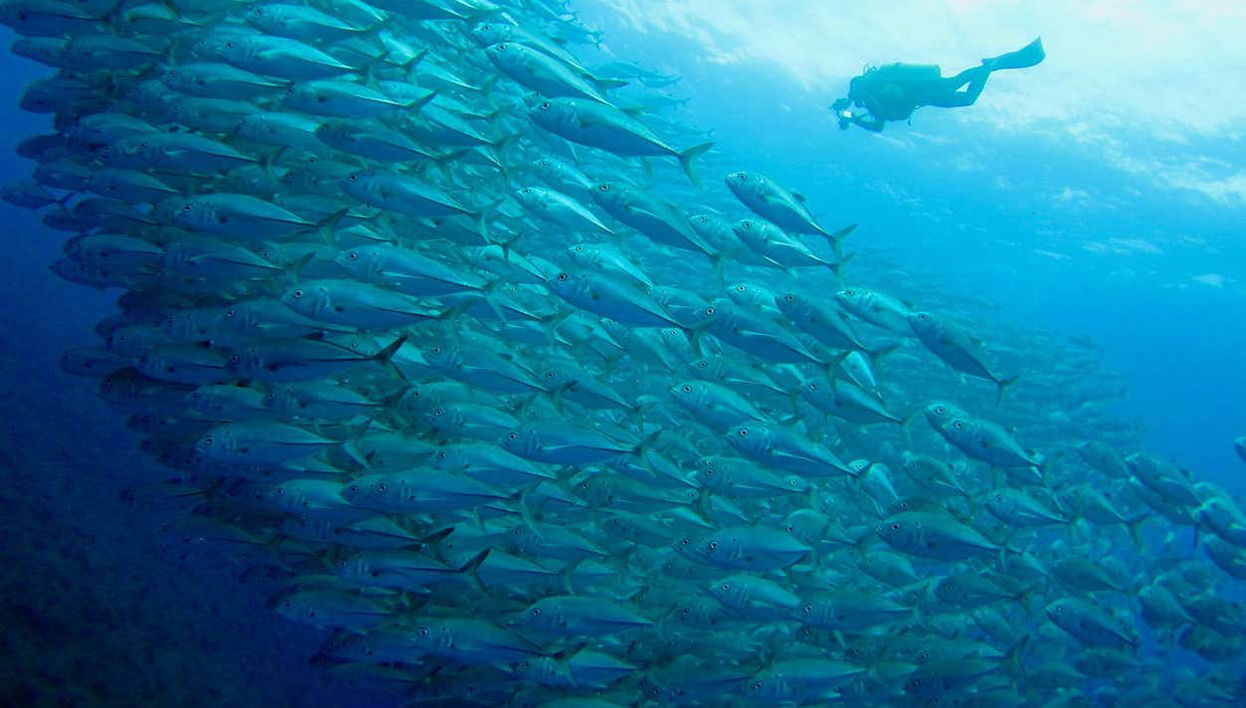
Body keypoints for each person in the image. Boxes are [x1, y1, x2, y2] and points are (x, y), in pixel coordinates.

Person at [832, 37, 1045, 132]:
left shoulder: (863, 87)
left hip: (921, 87)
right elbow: (878, 127)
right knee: (967, 98)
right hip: (924, 97)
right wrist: (853, 120)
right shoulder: (874, 106)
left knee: (954, 84)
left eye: (853, 103)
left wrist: (846, 105)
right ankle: (990, 66)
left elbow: (855, 85)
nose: (856, 105)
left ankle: (989, 66)